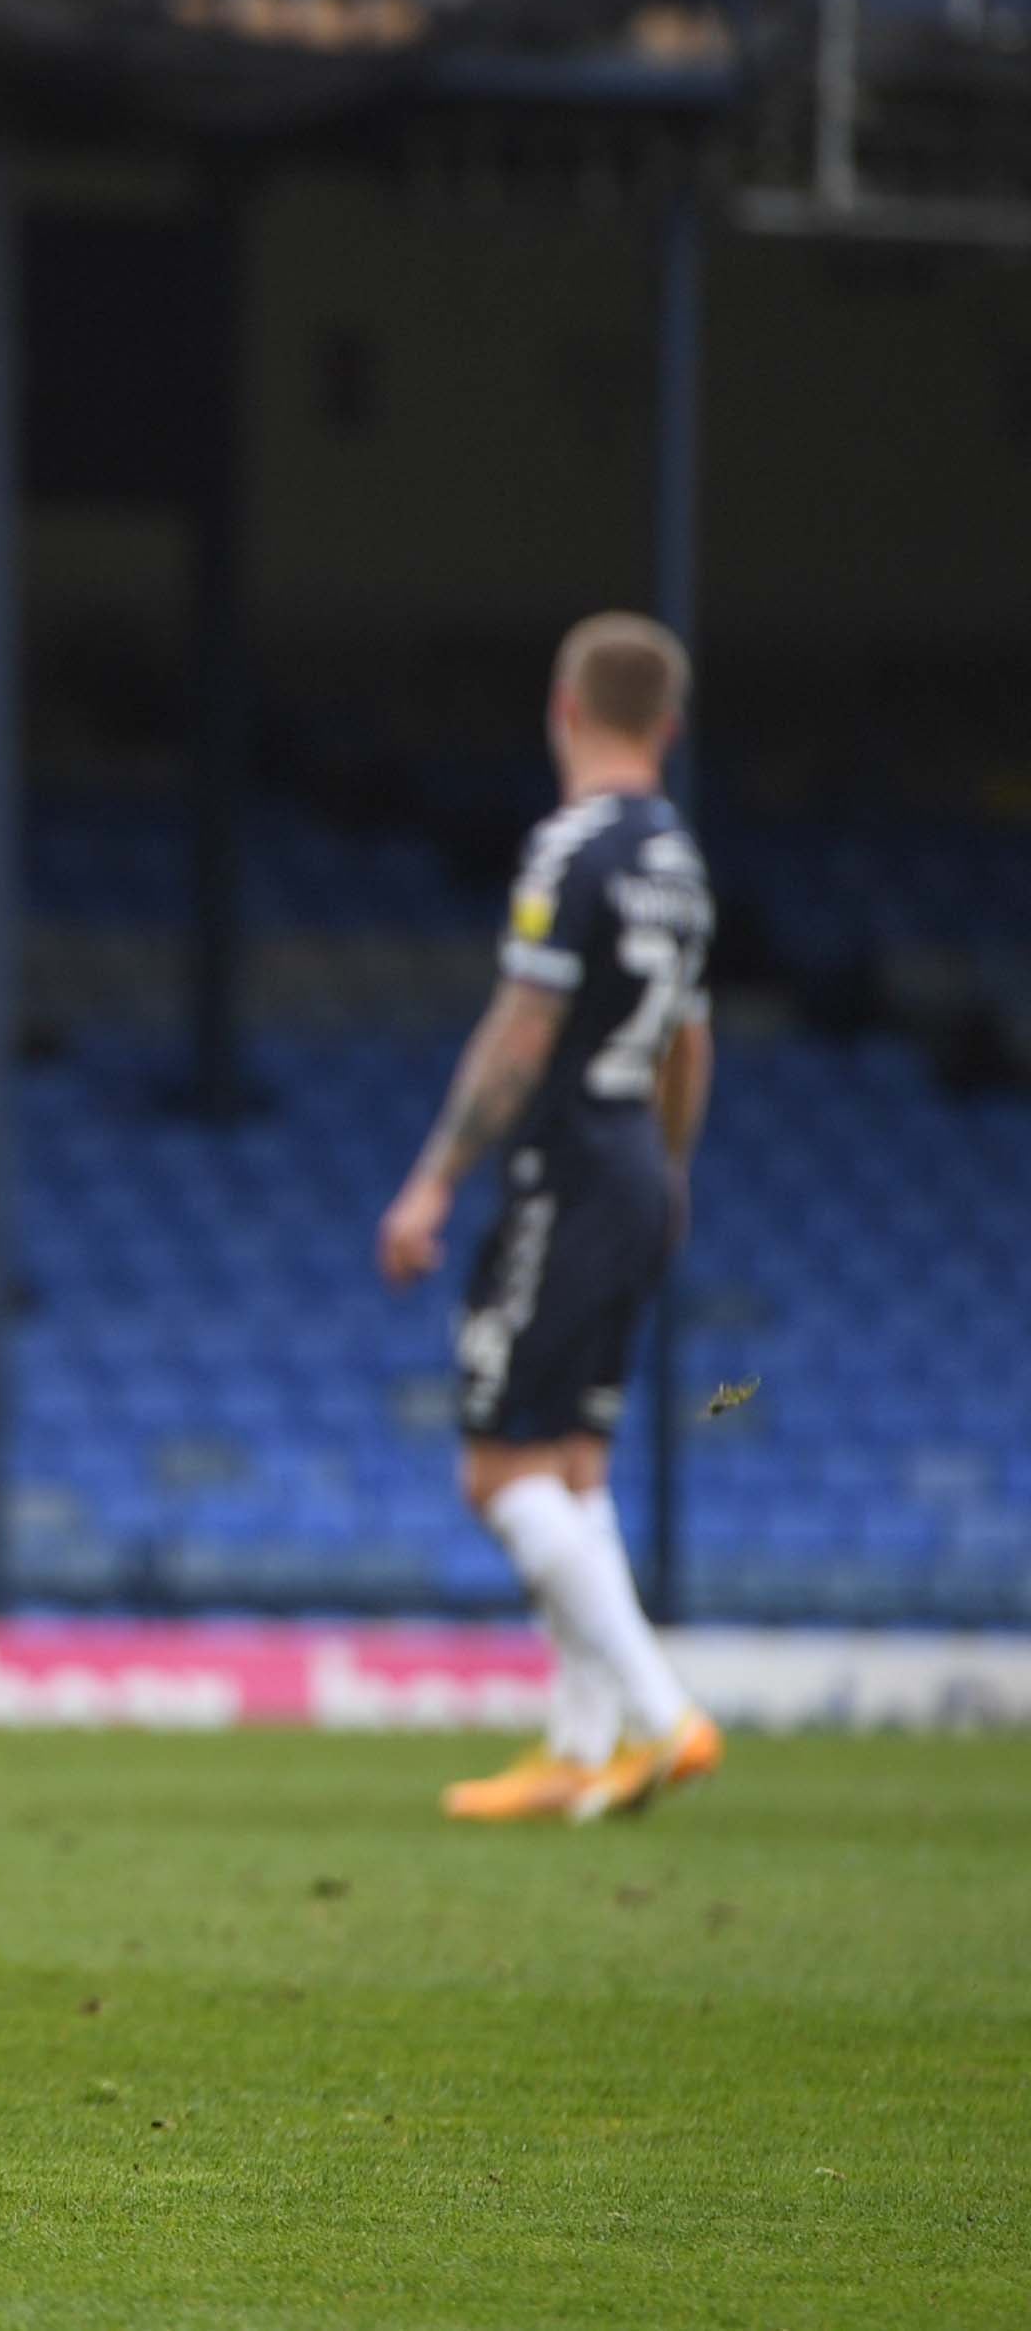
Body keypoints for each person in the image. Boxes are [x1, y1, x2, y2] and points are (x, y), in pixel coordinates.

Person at [380, 613, 722, 1827]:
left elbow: (524, 1028)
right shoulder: (678, 860)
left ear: (562, 709)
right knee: (575, 1462)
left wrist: (433, 1178)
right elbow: (690, 1040)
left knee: (498, 1469)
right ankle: (580, 1747)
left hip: (566, 1163)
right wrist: (669, 1176)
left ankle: (660, 1711)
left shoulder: (569, 848)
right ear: (668, 726)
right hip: (636, 1161)